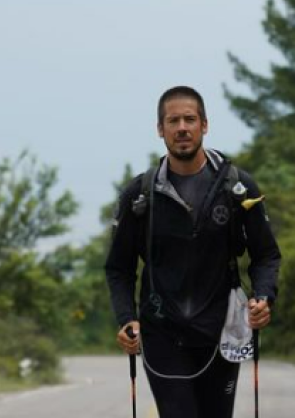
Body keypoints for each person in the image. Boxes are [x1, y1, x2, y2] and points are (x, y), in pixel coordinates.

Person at [105, 86, 281, 418]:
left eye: (189, 119)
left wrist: (263, 297)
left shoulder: (237, 187)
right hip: (161, 334)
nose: (182, 128)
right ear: (161, 129)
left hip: (221, 331)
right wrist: (128, 319)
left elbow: (266, 255)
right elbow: (119, 268)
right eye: (173, 121)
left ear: (204, 125)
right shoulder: (139, 195)